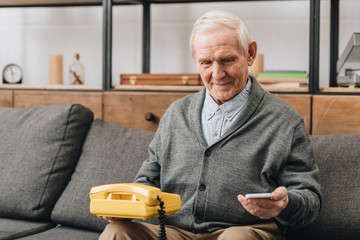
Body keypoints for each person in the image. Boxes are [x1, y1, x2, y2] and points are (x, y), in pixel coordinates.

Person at [99, 10, 321, 240]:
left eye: (227, 60)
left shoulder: (284, 120)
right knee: (116, 232)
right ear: (195, 59)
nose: (217, 74)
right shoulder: (177, 113)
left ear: (250, 53)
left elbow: (310, 199)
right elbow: (148, 179)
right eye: (206, 62)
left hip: (244, 231)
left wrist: (285, 204)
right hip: (174, 231)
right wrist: (125, 208)